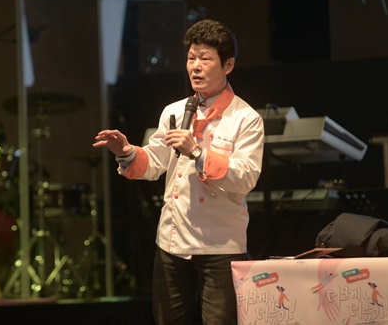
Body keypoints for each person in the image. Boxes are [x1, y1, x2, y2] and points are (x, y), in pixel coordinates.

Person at [93, 19, 265, 324]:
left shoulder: (246, 118)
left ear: (228, 65)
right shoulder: (173, 111)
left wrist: (197, 152)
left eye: (205, 59)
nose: (196, 67)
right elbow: (154, 163)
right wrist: (126, 151)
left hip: (220, 246)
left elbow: (245, 178)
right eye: (191, 58)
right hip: (172, 243)